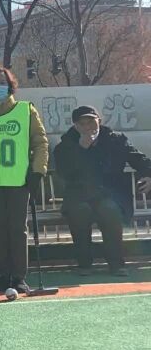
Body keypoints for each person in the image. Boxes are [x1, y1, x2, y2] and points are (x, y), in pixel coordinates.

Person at [0, 68, 48, 293]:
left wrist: (37, 171)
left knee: (17, 229)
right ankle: (2, 275)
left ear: (10, 86)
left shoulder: (25, 110)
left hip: (19, 182)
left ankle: (19, 277)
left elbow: (40, 142)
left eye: (3, 82)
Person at [53, 105, 151, 277]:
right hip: (79, 195)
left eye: (91, 122)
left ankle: (117, 264)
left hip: (111, 194)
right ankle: (84, 264)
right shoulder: (66, 145)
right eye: (82, 124)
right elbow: (63, 172)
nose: (88, 127)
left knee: (109, 209)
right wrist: (80, 149)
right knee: (79, 211)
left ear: (99, 121)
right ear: (75, 126)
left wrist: (149, 175)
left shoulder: (115, 140)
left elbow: (138, 158)